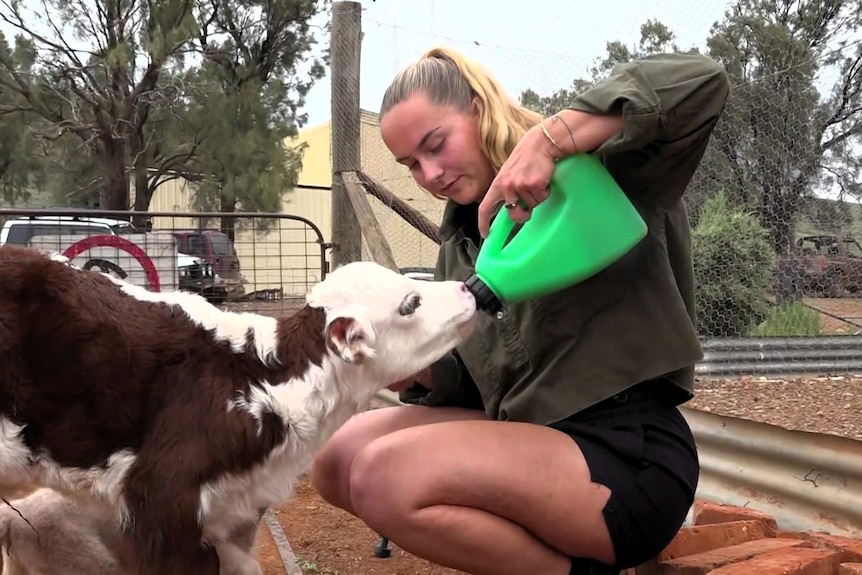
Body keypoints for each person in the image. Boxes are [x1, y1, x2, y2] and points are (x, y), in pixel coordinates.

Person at [311, 45, 730, 575]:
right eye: (411, 164)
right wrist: (407, 365)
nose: (429, 173)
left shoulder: (604, 170)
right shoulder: (462, 243)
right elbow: (472, 381)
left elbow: (702, 80)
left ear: (481, 107)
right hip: (528, 439)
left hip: (627, 453)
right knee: (338, 457)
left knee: (382, 474)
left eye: (435, 145)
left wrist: (549, 139)